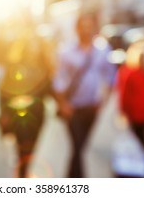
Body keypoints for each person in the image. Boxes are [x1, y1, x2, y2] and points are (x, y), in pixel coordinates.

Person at [53, 11, 115, 178]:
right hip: (72, 107)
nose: (86, 30)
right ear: (77, 29)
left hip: (92, 107)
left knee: (80, 148)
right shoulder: (66, 51)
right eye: (83, 26)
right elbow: (58, 79)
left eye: (89, 26)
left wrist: (104, 100)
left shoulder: (102, 50)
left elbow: (110, 76)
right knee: (78, 147)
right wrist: (62, 104)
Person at [0, 15, 54, 177]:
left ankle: (24, 170)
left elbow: (49, 81)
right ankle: (22, 173)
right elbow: (5, 87)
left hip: (37, 110)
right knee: (23, 143)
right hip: (19, 110)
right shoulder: (15, 61)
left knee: (32, 143)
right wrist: (3, 111)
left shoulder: (42, 62)